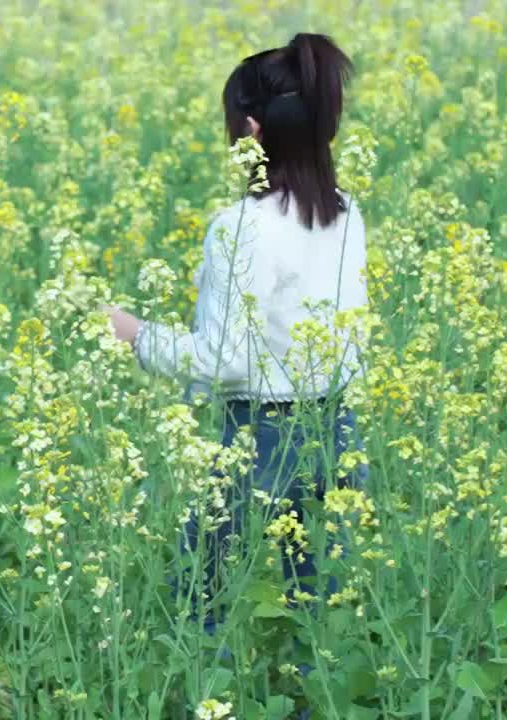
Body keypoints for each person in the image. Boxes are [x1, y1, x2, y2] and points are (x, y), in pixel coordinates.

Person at [104, 33, 369, 645]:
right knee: (318, 608)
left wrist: (132, 334)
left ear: (250, 129)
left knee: (204, 593)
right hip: (338, 430)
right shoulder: (346, 213)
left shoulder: (240, 227)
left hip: (263, 435)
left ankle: (212, 697)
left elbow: (226, 360)